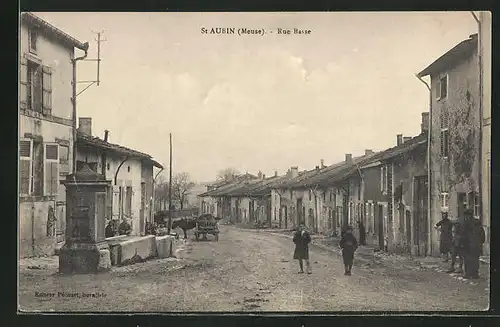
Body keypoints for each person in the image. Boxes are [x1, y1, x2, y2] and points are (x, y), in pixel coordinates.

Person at [463, 209, 485, 279]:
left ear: (467, 215)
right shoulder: (477, 222)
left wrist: (462, 243)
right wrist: (481, 242)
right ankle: (475, 273)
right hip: (477, 245)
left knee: (467, 259)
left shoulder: (466, 223)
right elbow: (482, 233)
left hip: (469, 244)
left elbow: (464, 234)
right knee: (475, 259)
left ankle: (468, 274)